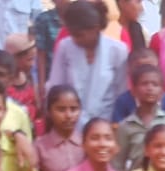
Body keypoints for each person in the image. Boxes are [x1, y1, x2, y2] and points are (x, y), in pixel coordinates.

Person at [45, 1, 125, 129]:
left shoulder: (118, 50)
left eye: (79, 35)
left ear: (96, 28)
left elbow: (121, 92)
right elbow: (55, 87)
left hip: (106, 124)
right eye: (72, 35)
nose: (75, 39)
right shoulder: (65, 47)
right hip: (69, 124)